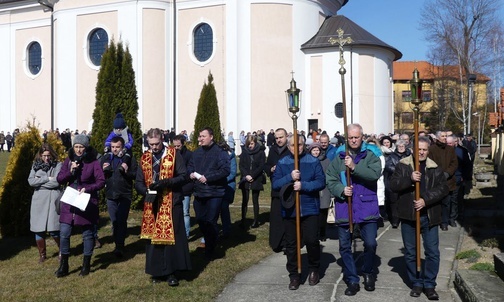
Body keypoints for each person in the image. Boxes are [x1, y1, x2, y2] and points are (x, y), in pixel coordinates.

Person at [325, 123, 382, 296]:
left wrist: (354, 168)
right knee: (344, 246)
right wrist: (341, 190)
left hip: (367, 207)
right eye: (350, 137)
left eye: (356, 137)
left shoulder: (371, 155)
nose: (354, 140)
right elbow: (330, 179)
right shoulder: (339, 157)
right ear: (346, 138)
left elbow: (375, 174)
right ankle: (352, 279)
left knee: (371, 243)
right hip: (345, 207)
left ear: (362, 137)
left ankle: (368, 272)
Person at [389, 136, 448, 300]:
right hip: (408, 216)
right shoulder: (403, 165)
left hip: (429, 216)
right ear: (413, 149)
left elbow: (443, 189)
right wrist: (409, 179)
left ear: (428, 151)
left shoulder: (434, 167)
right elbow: (393, 185)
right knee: (410, 252)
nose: (421, 152)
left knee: (432, 252)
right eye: (418, 149)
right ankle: (416, 282)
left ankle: (429, 284)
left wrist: (425, 200)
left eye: (424, 149)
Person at [135, 128, 191, 285]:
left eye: (156, 144)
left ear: (162, 140)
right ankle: (157, 271)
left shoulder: (173, 155)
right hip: (152, 203)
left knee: (171, 239)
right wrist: (144, 190)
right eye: (150, 144)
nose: (153, 147)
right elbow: (139, 181)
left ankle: (172, 272)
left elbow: (183, 176)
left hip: (171, 201)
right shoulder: (145, 157)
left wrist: (165, 182)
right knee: (154, 240)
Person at [272, 134, 325, 290]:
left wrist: (304, 185)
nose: (297, 148)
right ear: (288, 147)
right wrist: (290, 177)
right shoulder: (283, 162)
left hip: (309, 209)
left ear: (304, 145)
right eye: (293, 145)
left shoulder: (313, 161)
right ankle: (294, 275)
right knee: (292, 244)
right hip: (290, 210)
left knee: (311, 241)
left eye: (300, 144)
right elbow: (275, 184)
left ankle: (314, 268)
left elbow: (321, 182)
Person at [55, 134, 105, 277]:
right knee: (64, 233)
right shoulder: (68, 160)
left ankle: (86, 264)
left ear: (86, 147)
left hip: (86, 202)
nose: (78, 150)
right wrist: (71, 171)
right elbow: (60, 178)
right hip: (69, 202)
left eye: (81, 147)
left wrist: (87, 189)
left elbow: (101, 181)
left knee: (87, 234)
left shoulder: (94, 162)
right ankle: (64, 265)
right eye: (76, 147)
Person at [188, 127, 230, 260]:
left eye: (203, 136)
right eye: (199, 136)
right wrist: (191, 173)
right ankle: (209, 240)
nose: (200, 138)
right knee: (201, 220)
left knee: (211, 221)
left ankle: (211, 249)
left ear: (211, 137)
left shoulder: (220, 153)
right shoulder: (196, 153)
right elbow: (190, 166)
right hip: (199, 192)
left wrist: (208, 177)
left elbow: (225, 170)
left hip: (215, 192)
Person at [100, 136, 138, 257]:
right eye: (113, 147)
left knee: (121, 220)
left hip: (124, 194)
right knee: (114, 221)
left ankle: (119, 246)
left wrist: (127, 172)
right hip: (111, 194)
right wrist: (103, 170)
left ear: (122, 147)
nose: (115, 149)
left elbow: (136, 174)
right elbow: (98, 174)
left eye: (117, 147)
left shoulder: (129, 159)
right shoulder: (106, 158)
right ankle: (117, 242)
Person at [28, 143, 63, 263]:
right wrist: (47, 179)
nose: (46, 158)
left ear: (52, 154)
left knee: (54, 228)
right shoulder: (35, 166)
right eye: (44, 155)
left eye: (48, 155)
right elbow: (31, 181)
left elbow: (57, 182)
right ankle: (42, 254)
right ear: (40, 155)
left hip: (53, 198)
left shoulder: (58, 165)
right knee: (38, 228)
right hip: (38, 199)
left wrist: (40, 180)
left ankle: (62, 251)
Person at [263, 128, 290, 252]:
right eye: (277, 138)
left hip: (288, 188)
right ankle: (276, 242)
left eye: (281, 137)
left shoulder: (290, 150)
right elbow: (267, 165)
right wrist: (271, 169)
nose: (279, 140)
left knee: (287, 217)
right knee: (276, 216)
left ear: (286, 137)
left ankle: (286, 242)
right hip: (276, 188)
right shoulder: (273, 150)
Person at [428, 131, 458, 231]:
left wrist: (447, 173)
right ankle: (435, 221)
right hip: (435, 180)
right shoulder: (431, 149)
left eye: (446, 136)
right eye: (443, 136)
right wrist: (437, 174)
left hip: (448, 181)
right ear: (437, 138)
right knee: (436, 203)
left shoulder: (450, 149)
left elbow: (454, 163)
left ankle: (444, 222)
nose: (445, 138)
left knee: (446, 203)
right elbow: (429, 163)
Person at [239, 135, 266, 229]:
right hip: (245, 179)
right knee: (244, 200)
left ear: (255, 143)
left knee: (255, 200)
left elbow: (261, 166)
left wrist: (253, 175)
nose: (250, 146)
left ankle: (255, 220)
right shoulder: (244, 152)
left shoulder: (261, 153)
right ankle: (243, 219)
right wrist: (246, 175)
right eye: (248, 144)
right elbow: (241, 165)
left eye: (251, 144)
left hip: (256, 179)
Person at [383, 139, 411, 228]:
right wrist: (400, 171)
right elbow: (388, 166)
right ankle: (395, 220)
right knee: (394, 202)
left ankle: (405, 218)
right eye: (399, 146)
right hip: (394, 181)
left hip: (407, 181)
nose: (401, 148)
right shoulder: (392, 156)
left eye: (403, 146)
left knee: (406, 200)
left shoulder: (409, 155)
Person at [308, 142, 331, 241]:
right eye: (314, 150)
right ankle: (314, 232)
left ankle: (322, 232)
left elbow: (329, 173)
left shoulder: (326, 160)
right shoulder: (307, 161)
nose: (316, 152)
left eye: (317, 150)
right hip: (312, 188)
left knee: (323, 212)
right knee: (313, 212)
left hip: (323, 189)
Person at [173, 134, 194, 238]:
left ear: (183, 144)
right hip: (175, 186)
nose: (176, 148)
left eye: (178, 146)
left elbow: (189, 171)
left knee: (185, 212)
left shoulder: (189, 155)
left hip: (185, 186)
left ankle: (185, 234)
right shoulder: (171, 154)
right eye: (174, 146)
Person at [219, 142, 237, 238]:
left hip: (228, 186)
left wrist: (221, 179)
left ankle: (227, 229)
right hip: (218, 186)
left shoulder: (231, 157)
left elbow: (233, 172)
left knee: (224, 208)